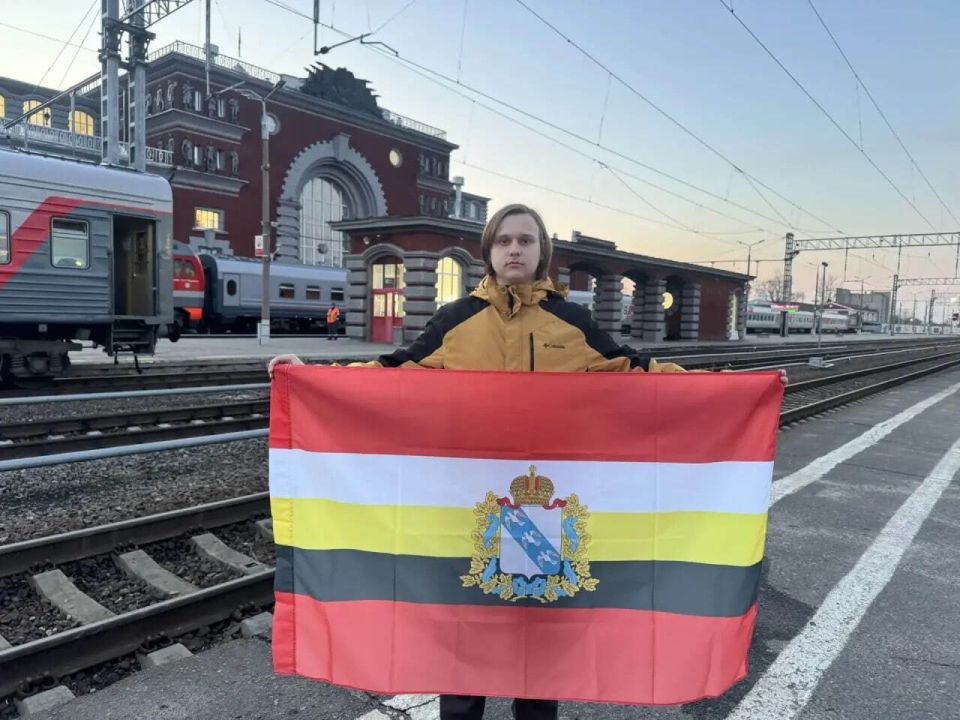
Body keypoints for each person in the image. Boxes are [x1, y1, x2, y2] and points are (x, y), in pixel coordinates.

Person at [268, 203, 786, 719]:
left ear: (543, 253)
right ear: (489, 252)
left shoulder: (572, 321)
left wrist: (734, 393)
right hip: (468, 512)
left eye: (526, 240)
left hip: (547, 514)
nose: (514, 249)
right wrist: (312, 377)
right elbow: (390, 373)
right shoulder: (456, 320)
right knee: (462, 643)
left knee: (540, 648)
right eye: (504, 241)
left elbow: (637, 372)